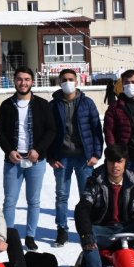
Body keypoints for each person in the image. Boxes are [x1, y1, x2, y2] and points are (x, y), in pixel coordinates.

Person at [0, 66, 56, 250]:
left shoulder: (42, 104)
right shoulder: (6, 105)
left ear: (32, 81)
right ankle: (7, 237)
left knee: (34, 200)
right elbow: (0, 132)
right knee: (10, 200)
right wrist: (9, 151)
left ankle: (30, 236)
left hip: (36, 160)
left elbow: (51, 130)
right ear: (14, 81)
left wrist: (38, 149)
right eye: (20, 79)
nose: (23, 83)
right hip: (13, 160)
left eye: (27, 79)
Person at [47, 68, 103, 247]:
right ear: (59, 82)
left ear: (77, 81)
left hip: (84, 158)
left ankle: (86, 231)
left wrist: (96, 154)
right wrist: (50, 156)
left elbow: (96, 129)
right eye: (64, 79)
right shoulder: (53, 105)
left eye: (71, 79)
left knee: (86, 197)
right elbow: (48, 132)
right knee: (61, 196)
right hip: (61, 158)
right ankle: (62, 230)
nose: (68, 82)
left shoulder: (87, 103)